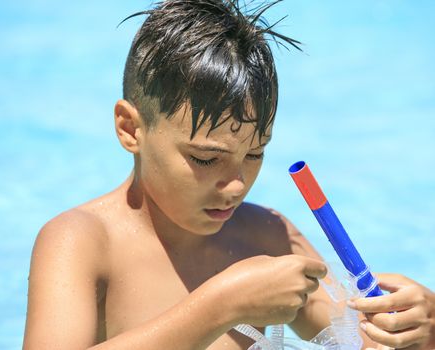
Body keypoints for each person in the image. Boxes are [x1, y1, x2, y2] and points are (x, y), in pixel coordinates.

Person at [22, 1, 435, 349]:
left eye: (254, 154)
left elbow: (364, 339)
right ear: (132, 129)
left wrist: (418, 328)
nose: (236, 185)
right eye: (205, 158)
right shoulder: (81, 242)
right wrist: (223, 305)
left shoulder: (268, 237)